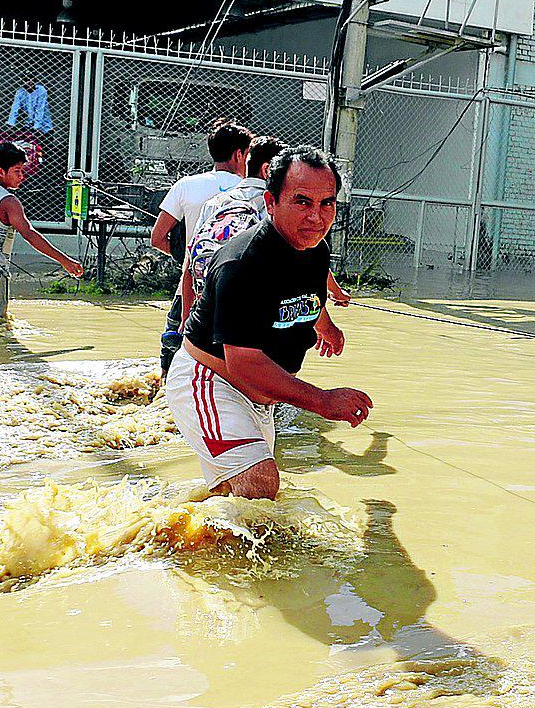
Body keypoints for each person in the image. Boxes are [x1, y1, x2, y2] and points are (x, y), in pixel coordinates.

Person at [164, 146, 371, 499]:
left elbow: (307, 292)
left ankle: (165, 529)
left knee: (235, 498)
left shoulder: (315, 251)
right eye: (302, 202)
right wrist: (322, 401)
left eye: (327, 204)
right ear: (270, 202)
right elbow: (244, 362)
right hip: (209, 382)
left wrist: (325, 324)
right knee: (261, 483)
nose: (316, 217)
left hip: (261, 397)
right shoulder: (242, 264)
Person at [0, 142, 83, 335]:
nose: (22, 176)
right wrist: (65, 261)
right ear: (1, 171)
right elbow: (29, 234)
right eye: (17, 171)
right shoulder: (9, 201)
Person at [150, 121, 252, 326]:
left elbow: (157, 239)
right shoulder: (255, 194)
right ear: (239, 155)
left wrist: (190, 258)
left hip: (190, 290)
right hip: (237, 296)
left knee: (175, 347)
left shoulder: (186, 185)